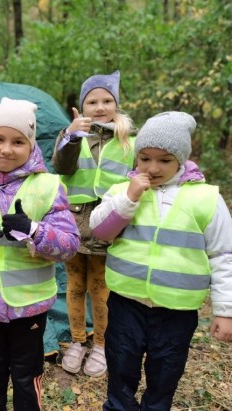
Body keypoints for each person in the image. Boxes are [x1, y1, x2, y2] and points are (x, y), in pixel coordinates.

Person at [90, 111, 232, 410]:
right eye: (145, 158)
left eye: (164, 160)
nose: (153, 168)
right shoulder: (121, 191)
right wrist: (128, 199)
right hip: (126, 303)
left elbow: (224, 255)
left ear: (181, 159)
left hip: (176, 311)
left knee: (165, 373)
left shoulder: (205, 198)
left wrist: (225, 310)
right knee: (121, 366)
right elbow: (100, 231)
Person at [0, 97, 80, 410]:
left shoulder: (47, 186)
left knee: (25, 374)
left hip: (29, 306)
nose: (6, 149)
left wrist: (35, 230)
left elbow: (70, 244)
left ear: (31, 144)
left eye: (18, 141)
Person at [52, 70, 136, 377]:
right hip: (73, 224)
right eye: (92, 101)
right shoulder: (71, 135)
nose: (99, 107)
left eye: (106, 100)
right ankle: (77, 341)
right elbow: (61, 166)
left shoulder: (129, 139)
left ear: (116, 103)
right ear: (82, 106)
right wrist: (72, 135)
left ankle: (101, 345)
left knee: (101, 289)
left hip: (108, 225)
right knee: (75, 287)